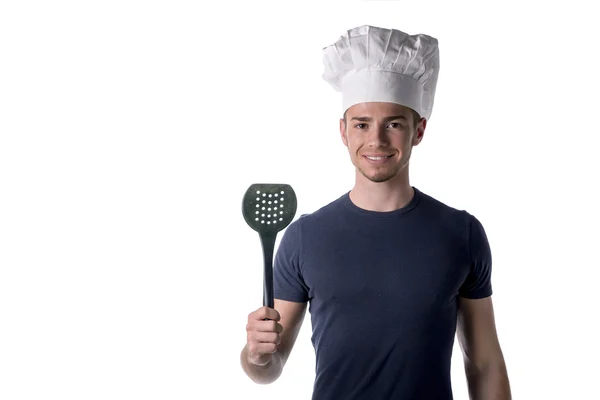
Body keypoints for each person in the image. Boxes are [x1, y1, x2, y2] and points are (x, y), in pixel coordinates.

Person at [240, 25, 511, 400]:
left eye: (394, 124)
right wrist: (256, 352)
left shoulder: (461, 233)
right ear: (343, 131)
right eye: (362, 124)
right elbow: (267, 371)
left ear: (419, 130)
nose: (376, 141)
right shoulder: (305, 237)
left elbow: (484, 363)